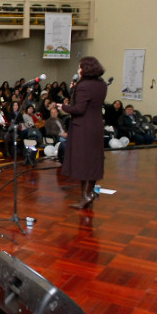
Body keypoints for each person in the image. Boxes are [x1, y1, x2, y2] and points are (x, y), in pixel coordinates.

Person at [61, 56, 108, 209]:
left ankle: (86, 196)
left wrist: (63, 107)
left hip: (83, 127)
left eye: (79, 67)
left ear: (85, 69)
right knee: (92, 161)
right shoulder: (102, 84)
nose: (77, 70)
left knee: (83, 162)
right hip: (96, 125)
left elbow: (78, 109)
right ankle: (88, 194)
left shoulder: (84, 86)